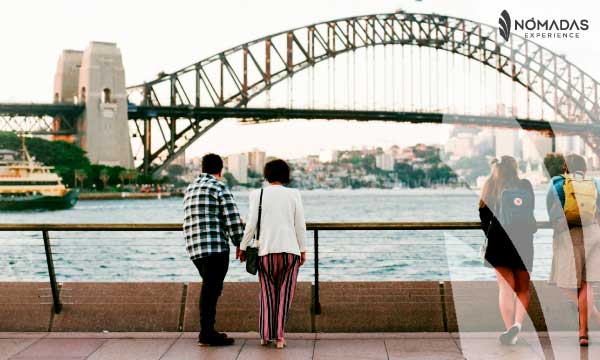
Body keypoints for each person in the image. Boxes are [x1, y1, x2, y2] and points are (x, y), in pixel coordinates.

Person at [239, 159, 307, 349]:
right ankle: (279, 337)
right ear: (286, 174)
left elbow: (251, 224)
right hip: (289, 251)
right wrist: (302, 249)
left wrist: (243, 247)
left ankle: (265, 335)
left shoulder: (257, 194)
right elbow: (299, 225)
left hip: (265, 252)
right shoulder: (294, 194)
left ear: (266, 175)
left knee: (267, 294)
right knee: (285, 295)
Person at [183, 153, 244, 346]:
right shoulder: (218, 187)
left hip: (194, 248)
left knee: (209, 287)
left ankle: (208, 331)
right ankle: (207, 333)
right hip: (215, 246)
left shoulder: (190, 188)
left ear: (202, 168)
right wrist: (241, 244)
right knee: (211, 289)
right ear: (221, 170)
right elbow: (232, 219)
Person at [479, 155, 537, 345]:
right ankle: (517, 326)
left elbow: (483, 215)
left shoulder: (490, 185)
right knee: (523, 289)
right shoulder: (525, 185)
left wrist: (491, 233)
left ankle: (509, 330)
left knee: (505, 289)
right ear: (515, 168)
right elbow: (531, 210)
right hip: (524, 240)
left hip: (498, 241)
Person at [547, 153, 600, 346]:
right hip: (593, 233)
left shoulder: (557, 182)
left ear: (565, 168)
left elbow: (550, 208)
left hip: (568, 234)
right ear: (584, 168)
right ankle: (583, 333)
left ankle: (594, 318)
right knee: (586, 283)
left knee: (562, 282)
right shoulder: (594, 182)